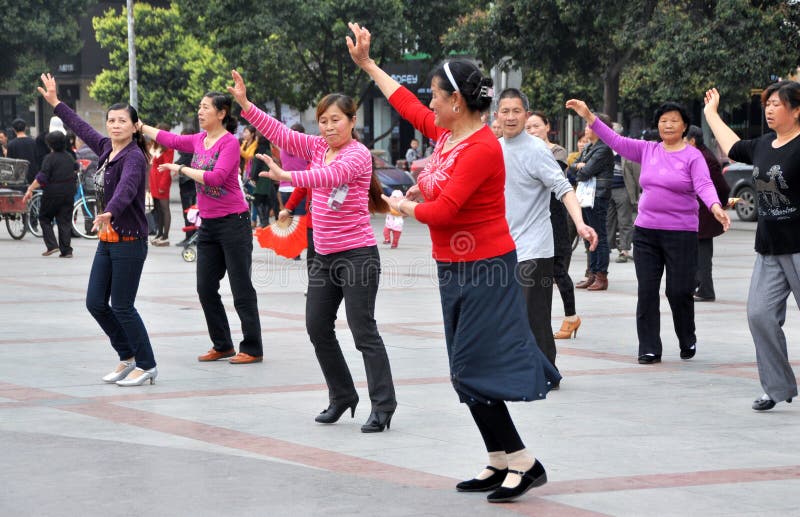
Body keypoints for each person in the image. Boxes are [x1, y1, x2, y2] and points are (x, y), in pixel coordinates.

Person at [348, 23, 559, 502]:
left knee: (468, 368)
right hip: (456, 267)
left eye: (438, 97)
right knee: (464, 367)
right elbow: (404, 102)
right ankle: (498, 458)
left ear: (457, 102)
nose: (432, 104)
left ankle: (525, 462)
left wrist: (401, 204)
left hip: (485, 267)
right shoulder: (448, 135)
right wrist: (368, 65)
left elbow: (444, 213)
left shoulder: (481, 147)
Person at [228, 68, 398, 433]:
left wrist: (288, 177)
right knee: (317, 326)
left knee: (362, 329)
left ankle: (383, 405)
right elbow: (282, 134)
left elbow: (327, 179)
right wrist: (245, 105)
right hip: (322, 256)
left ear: (352, 121)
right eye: (322, 121)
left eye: (336, 120)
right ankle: (342, 396)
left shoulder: (358, 156)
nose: (328, 127)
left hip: (357, 256)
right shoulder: (319, 147)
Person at [567, 98, 730, 364]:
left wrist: (714, 206)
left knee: (678, 291)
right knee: (647, 291)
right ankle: (649, 347)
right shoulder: (648, 150)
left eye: (674, 120)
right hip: (646, 233)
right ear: (657, 125)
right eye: (664, 120)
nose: (668, 125)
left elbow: (703, 184)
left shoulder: (693, 155)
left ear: (685, 125)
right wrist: (588, 116)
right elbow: (615, 141)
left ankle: (687, 336)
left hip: (681, 233)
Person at [36, 73, 158, 386]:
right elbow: (80, 126)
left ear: (134, 126)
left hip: (129, 239)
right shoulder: (106, 147)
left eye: (122, 121)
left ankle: (147, 364)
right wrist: (55, 104)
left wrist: (110, 211)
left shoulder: (134, 156)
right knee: (95, 303)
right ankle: (127, 356)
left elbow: (128, 188)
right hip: (107, 239)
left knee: (122, 305)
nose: (115, 125)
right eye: (111, 120)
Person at [138, 92, 264, 365]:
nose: (200, 111)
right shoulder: (198, 140)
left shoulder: (229, 143)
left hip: (234, 223)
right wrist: (140, 126)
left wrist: (181, 170)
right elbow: (170, 139)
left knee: (241, 287)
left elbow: (216, 178)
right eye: (199, 107)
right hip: (208, 225)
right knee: (205, 288)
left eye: (206, 107)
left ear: (221, 113)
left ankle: (252, 347)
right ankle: (222, 344)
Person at [704, 82, 800, 411]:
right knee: (759, 314)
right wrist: (711, 114)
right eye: (767, 104)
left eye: (777, 104)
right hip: (770, 248)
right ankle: (777, 387)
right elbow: (733, 147)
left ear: (796, 110)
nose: (769, 109)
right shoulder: (762, 144)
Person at [495, 89, 597, 384]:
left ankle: (546, 373)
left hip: (535, 248)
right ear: (497, 116)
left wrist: (579, 223)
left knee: (533, 315)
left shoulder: (537, 150)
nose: (511, 117)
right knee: (508, 313)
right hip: (504, 246)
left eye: (517, 111)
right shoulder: (494, 149)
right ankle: (518, 367)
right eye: (505, 111)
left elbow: (564, 189)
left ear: (526, 115)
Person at [525, 111, 584, 339]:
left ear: (547, 127)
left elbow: (551, 177)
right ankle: (538, 323)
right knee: (537, 276)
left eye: (536, 126)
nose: (532, 131)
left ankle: (571, 317)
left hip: (555, 217)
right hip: (531, 218)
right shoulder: (522, 151)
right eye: (528, 128)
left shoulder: (557, 151)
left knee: (559, 271)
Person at [569, 112, 614, 291]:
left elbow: (584, 172)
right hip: (585, 196)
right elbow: (573, 166)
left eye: (590, 125)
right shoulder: (589, 147)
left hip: (598, 197)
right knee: (588, 236)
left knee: (599, 236)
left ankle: (601, 276)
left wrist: (581, 167)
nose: (587, 128)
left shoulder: (603, 149)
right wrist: (580, 166)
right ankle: (592, 273)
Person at [685, 125, 730, 302]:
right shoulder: (699, 155)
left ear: (693, 141)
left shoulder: (705, 159)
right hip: (697, 214)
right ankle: (698, 285)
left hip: (704, 214)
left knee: (702, 254)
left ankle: (706, 290)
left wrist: (720, 205)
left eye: (684, 140)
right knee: (696, 252)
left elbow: (723, 186)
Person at [22, 131, 77, 257]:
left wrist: (30, 189)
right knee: (64, 221)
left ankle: (52, 245)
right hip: (68, 192)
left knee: (44, 218)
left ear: (49, 144)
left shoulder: (49, 158)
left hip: (52, 193)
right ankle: (67, 251)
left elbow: (42, 177)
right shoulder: (69, 156)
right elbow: (76, 167)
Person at [607, 123, 635, 264]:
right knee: (608, 221)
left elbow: (634, 171)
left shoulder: (626, 149)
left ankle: (624, 250)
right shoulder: (604, 148)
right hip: (607, 189)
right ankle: (606, 248)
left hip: (623, 188)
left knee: (625, 221)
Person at [148, 122, 174, 246]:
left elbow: (167, 167)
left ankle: (165, 236)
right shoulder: (155, 144)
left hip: (162, 179)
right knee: (157, 208)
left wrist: (163, 185)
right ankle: (159, 233)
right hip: (153, 178)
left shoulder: (168, 147)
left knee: (164, 208)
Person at [173, 129, 196, 246]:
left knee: (189, 212)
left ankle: (190, 237)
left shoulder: (188, 149)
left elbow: (182, 161)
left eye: (183, 136)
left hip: (188, 184)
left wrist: (173, 166)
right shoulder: (191, 148)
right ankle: (192, 236)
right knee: (192, 212)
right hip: (190, 183)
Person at [250, 132, 277, 227]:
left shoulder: (259, 152)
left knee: (257, 201)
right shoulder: (269, 151)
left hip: (259, 181)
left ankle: (263, 222)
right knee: (266, 201)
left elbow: (256, 167)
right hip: (268, 180)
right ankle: (265, 222)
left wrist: (253, 178)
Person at [7, 118, 38, 184]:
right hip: (32, 176)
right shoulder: (33, 142)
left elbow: (9, 164)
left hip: (17, 178)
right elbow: (37, 159)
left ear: (14, 129)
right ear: (25, 128)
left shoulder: (11, 144)